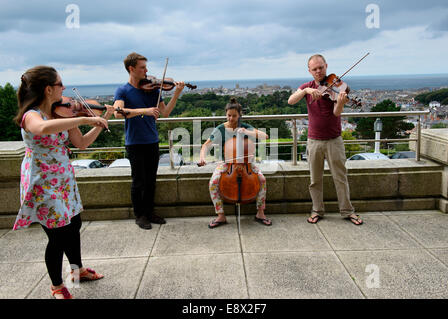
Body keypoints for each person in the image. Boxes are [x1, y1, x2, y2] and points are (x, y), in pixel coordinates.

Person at [13, 66, 113, 299]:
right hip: (42, 183)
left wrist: (102, 119)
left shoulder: (62, 115)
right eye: (60, 84)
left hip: (63, 180)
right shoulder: (32, 115)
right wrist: (80, 117)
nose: (64, 88)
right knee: (57, 237)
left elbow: (82, 144)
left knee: (74, 225)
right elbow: (41, 128)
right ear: (49, 89)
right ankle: (57, 285)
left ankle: (77, 272)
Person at [287, 54, 363, 225]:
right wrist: (306, 91)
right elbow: (291, 101)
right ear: (309, 71)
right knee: (315, 179)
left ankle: (347, 211)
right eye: (314, 69)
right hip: (314, 140)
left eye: (321, 67)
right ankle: (317, 210)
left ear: (326, 66)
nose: (318, 71)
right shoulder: (307, 86)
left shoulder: (337, 86)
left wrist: (341, 102)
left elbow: (336, 113)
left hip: (334, 139)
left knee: (340, 177)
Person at [112, 52, 185, 230]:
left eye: (146, 67)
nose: (147, 70)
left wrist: (176, 93)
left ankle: (150, 212)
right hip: (134, 142)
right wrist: (144, 110)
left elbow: (165, 113)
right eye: (142, 67)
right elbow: (117, 112)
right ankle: (140, 215)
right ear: (131, 69)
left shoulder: (154, 90)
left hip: (152, 141)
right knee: (138, 181)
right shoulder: (122, 90)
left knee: (151, 180)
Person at [198, 98, 272, 228]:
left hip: (246, 163)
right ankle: (220, 215)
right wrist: (202, 158)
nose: (231, 119)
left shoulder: (245, 127)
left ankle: (260, 212)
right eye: (229, 115)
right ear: (226, 114)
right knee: (213, 183)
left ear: (239, 115)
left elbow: (264, 136)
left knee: (262, 180)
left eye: (234, 116)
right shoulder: (221, 129)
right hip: (227, 164)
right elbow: (205, 146)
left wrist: (246, 132)